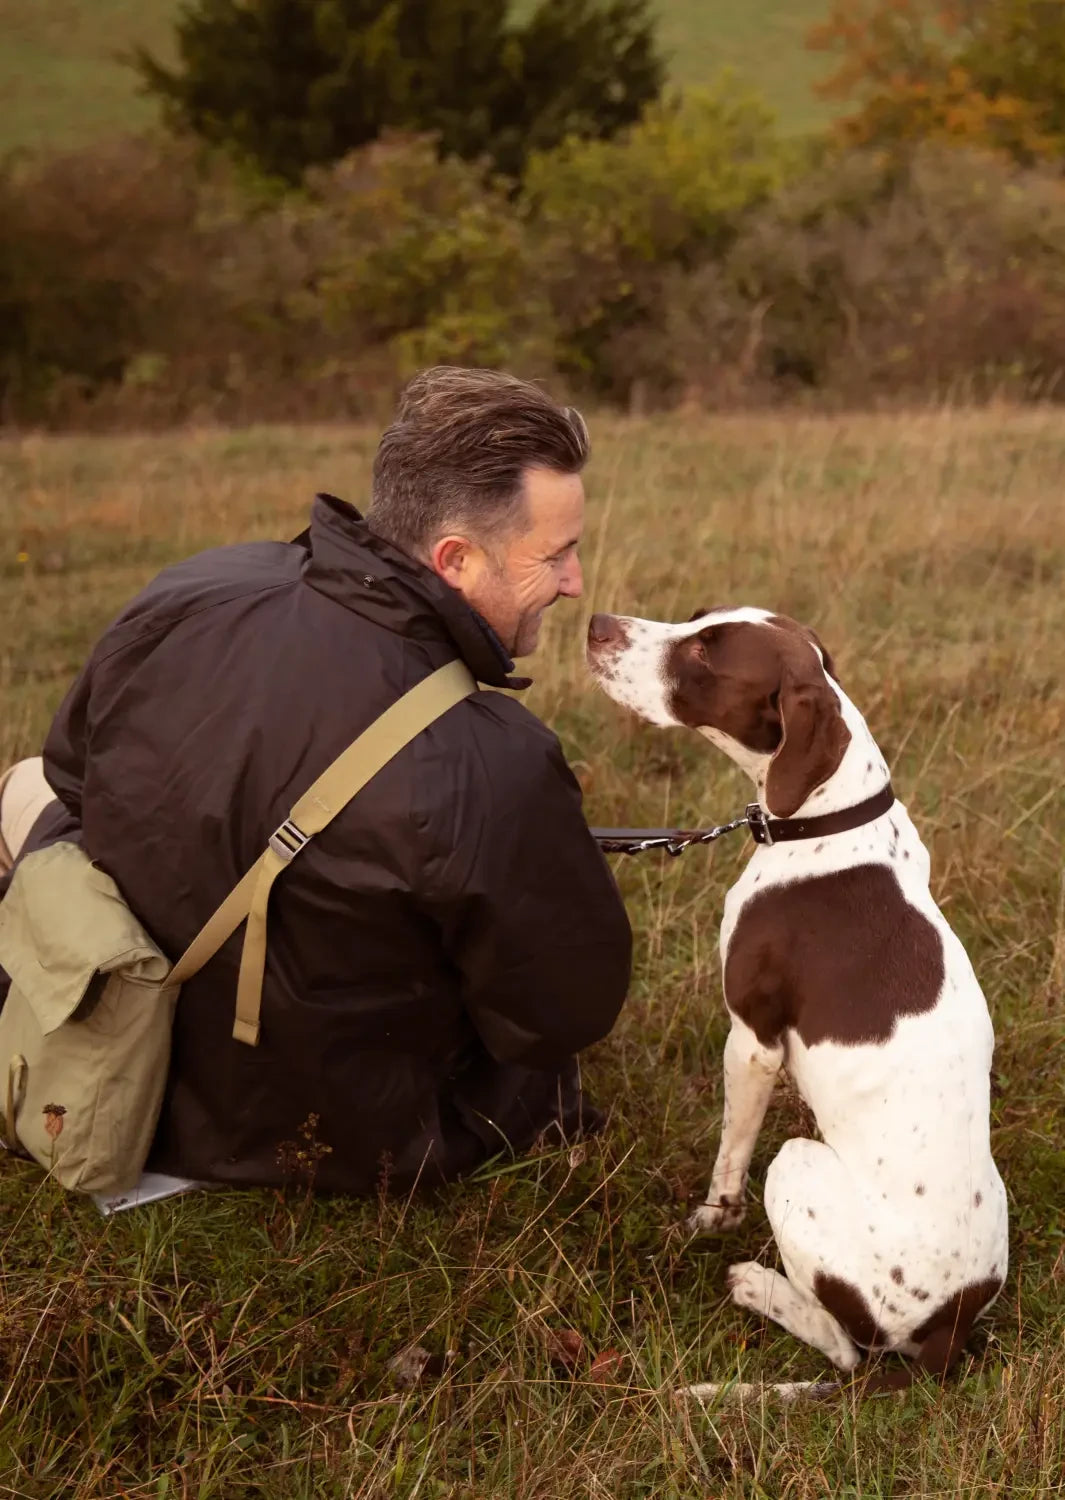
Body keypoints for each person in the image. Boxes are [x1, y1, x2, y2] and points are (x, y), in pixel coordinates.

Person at [0, 367, 632, 1194]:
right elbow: (562, 1014)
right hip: (333, 1132)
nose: (575, 582)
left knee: (21, 785)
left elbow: (72, 778)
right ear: (453, 558)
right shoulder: (496, 760)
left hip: (124, 1067)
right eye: (555, 554)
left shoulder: (199, 587)